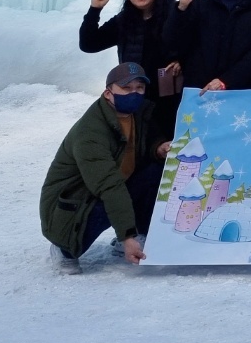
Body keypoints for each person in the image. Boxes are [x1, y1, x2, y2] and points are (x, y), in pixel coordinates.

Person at [40, 63, 171, 273]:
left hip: (111, 185)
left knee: (153, 173)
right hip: (73, 202)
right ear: (108, 93)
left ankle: (133, 235)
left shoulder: (137, 113)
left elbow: (146, 142)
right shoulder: (90, 133)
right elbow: (108, 185)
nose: (134, 93)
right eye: (126, 88)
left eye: (139, 88)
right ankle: (64, 249)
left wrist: (158, 148)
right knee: (104, 202)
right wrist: (127, 236)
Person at [79, 0, 180, 137]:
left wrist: (182, 60)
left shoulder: (177, 13)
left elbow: (198, 44)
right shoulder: (125, 20)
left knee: (165, 150)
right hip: (135, 99)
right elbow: (89, 44)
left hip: (171, 101)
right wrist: (95, 10)